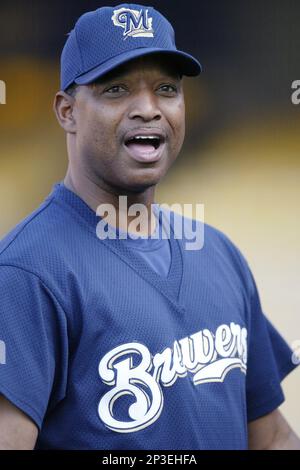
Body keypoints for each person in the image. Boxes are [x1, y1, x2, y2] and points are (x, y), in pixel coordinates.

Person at [0, 3, 299, 450]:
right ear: (66, 111)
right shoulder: (26, 273)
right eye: (117, 89)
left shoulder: (218, 253)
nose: (148, 109)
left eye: (166, 88)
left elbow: (272, 437)